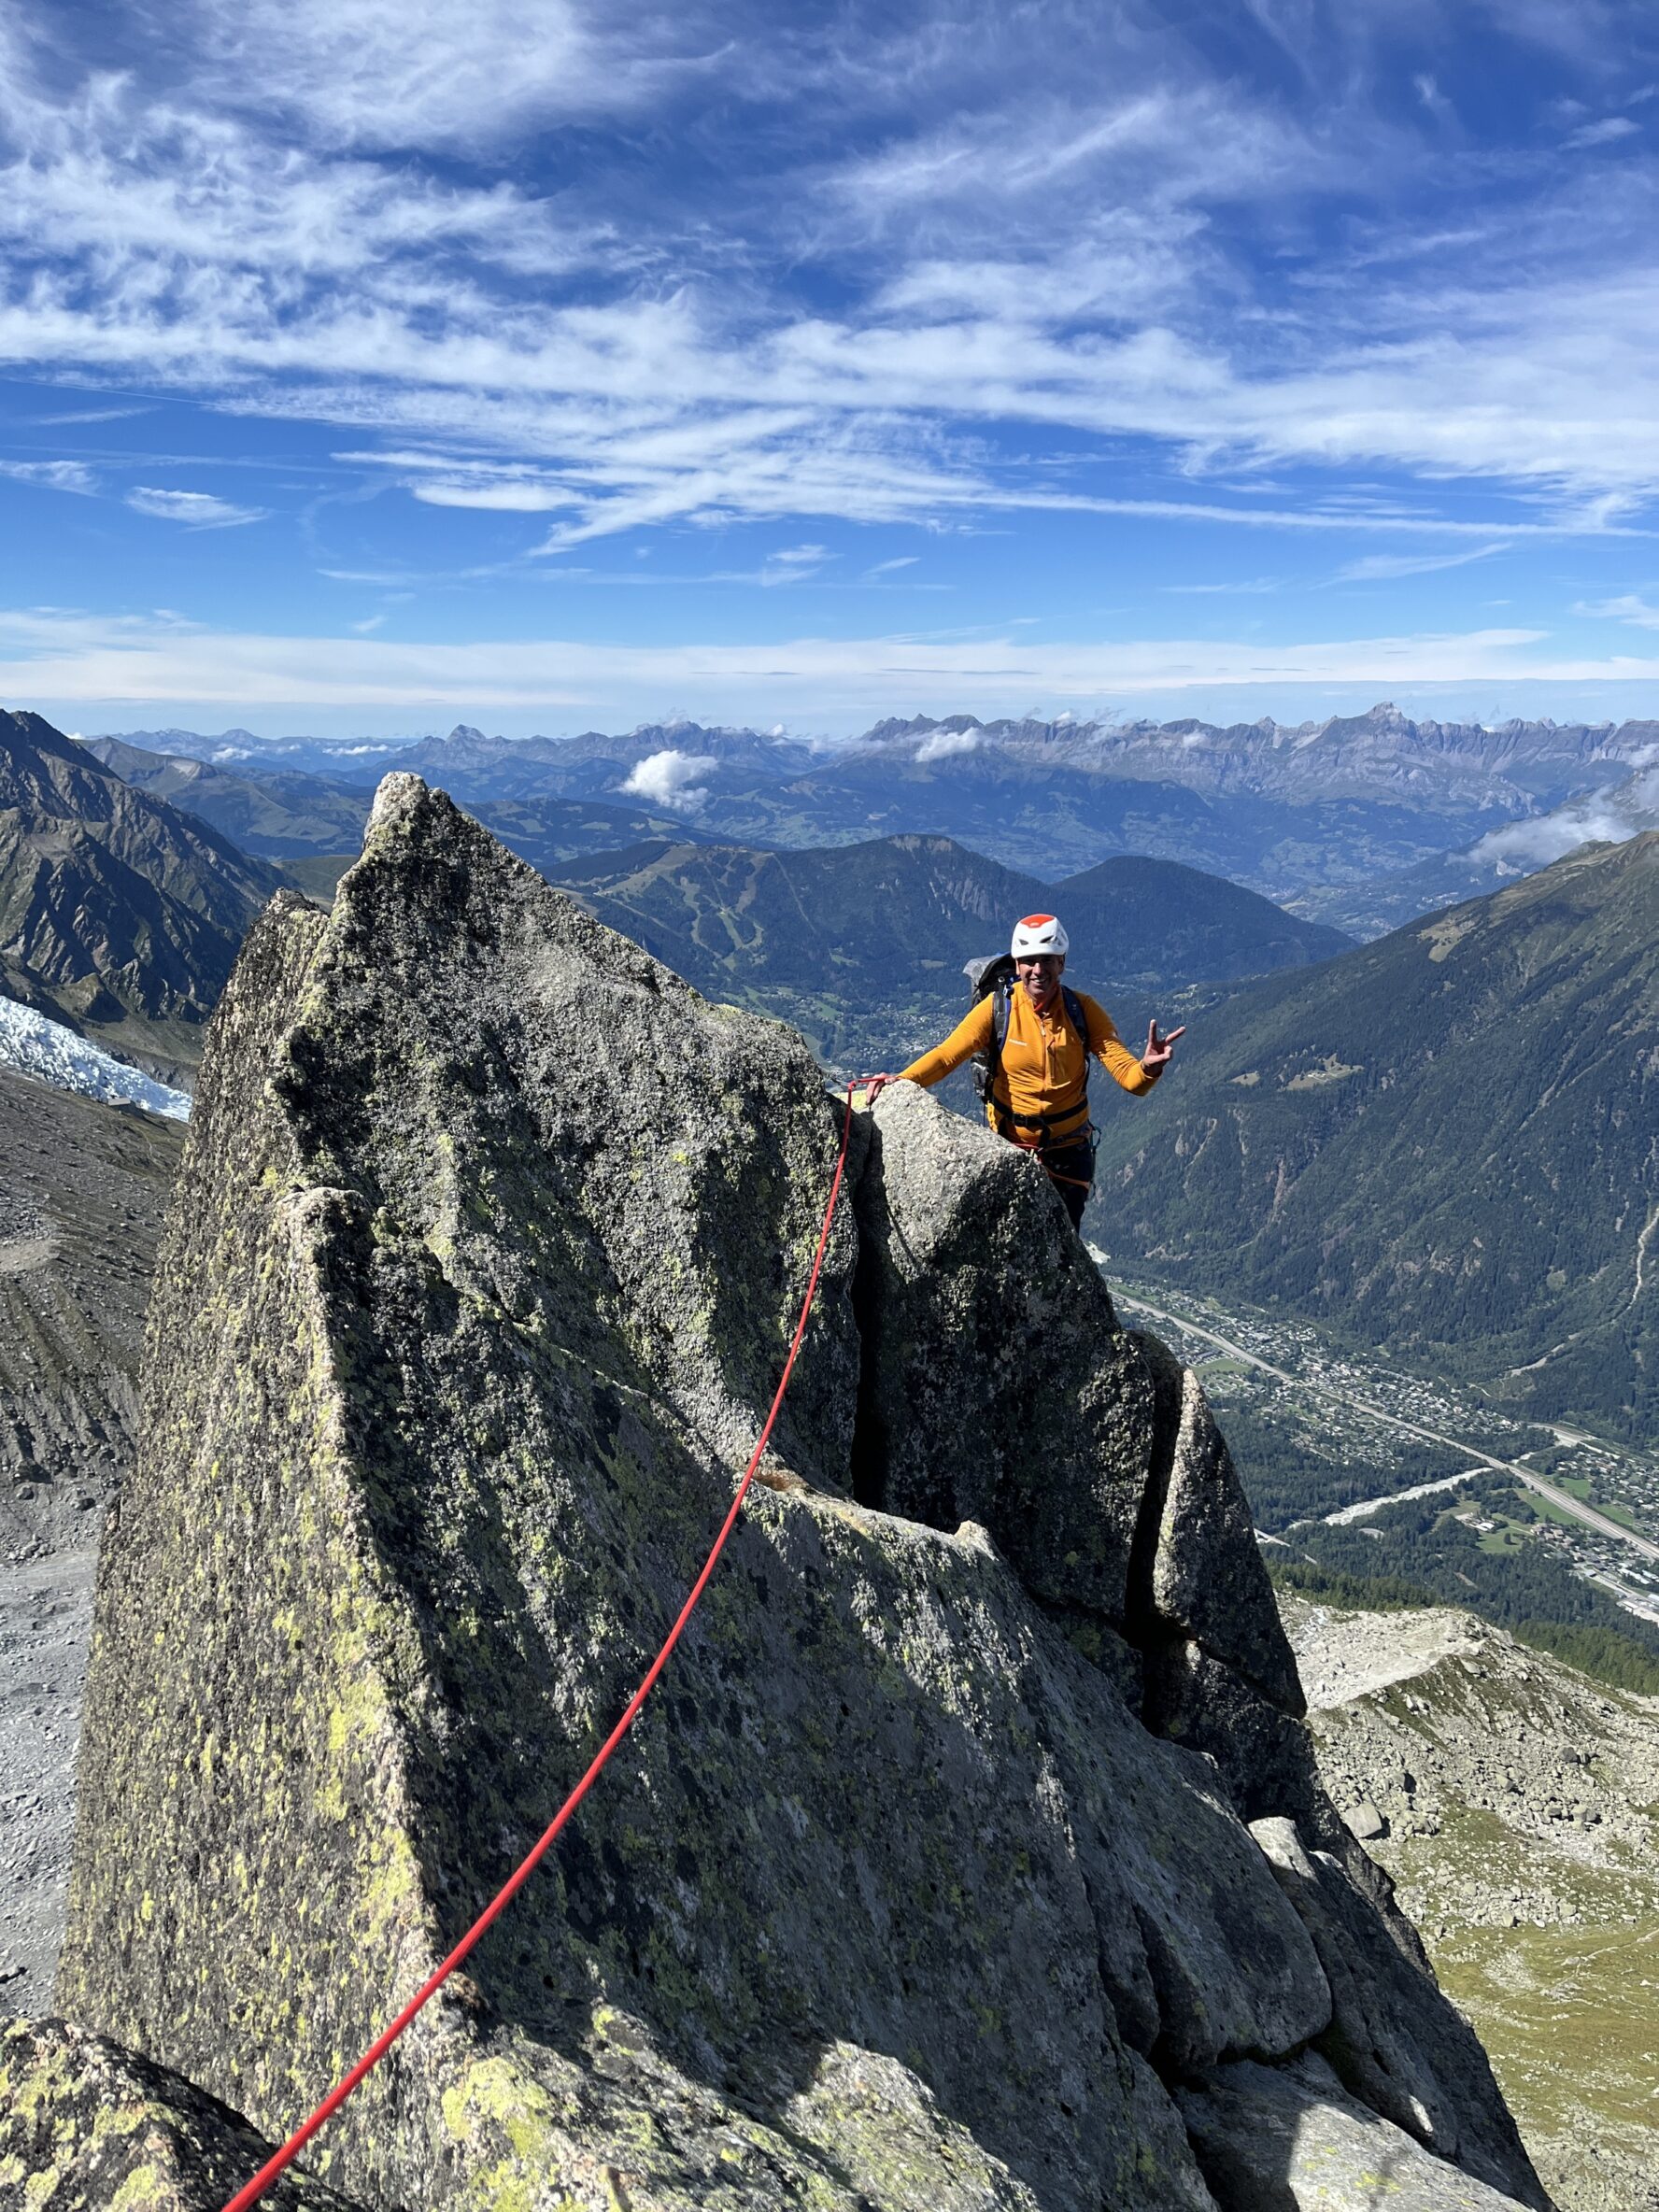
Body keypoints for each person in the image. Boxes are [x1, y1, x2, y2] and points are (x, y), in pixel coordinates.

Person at [866, 913, 1184, 1229]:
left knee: (1061, 1252)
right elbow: (947, 1055)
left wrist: (1147, 1068)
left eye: (1047, 960)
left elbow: (1132, 1081)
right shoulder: (997, 1010)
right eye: (1029, 961)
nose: (1038, 970)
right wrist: (900, 1080)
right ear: (1017, 965)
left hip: (1068, 1155)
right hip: (1009, 1146)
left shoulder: (1083, 1010)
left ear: (1062, 963)